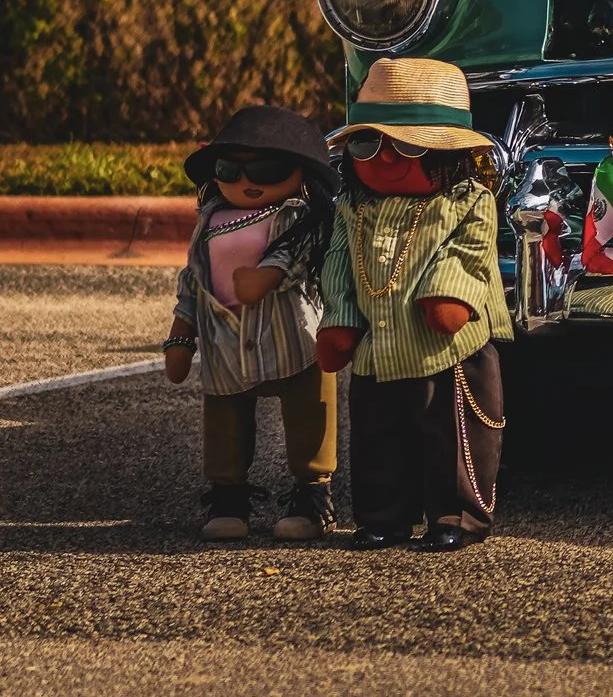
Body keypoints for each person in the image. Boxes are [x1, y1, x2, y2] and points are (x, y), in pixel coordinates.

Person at [315, 57, 515, 551]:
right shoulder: (352, 208)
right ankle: (383, 516)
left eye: (406, 145)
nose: (384, 159)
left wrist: (448, 294)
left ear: (448, 154)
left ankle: (457, 517)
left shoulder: (468, 199)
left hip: (448, 350)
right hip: (377, 349)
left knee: (452, 437)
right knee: (377, 439)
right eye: (368, 143)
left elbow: (470, 255)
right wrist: (340, 321)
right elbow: (337, 267)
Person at [165, 105, 340, 540]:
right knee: (224, 416)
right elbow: (194, 279)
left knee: (309, 411)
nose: (247, 181)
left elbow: (299, 254)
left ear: (302, 173)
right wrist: (180, 335)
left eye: (268, 168)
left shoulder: (303, 216)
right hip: (225, 336)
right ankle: (228, 495)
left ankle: (313, 495)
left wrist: (269, 274)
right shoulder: (209, 220)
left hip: (291, 334)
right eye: (230, 169)